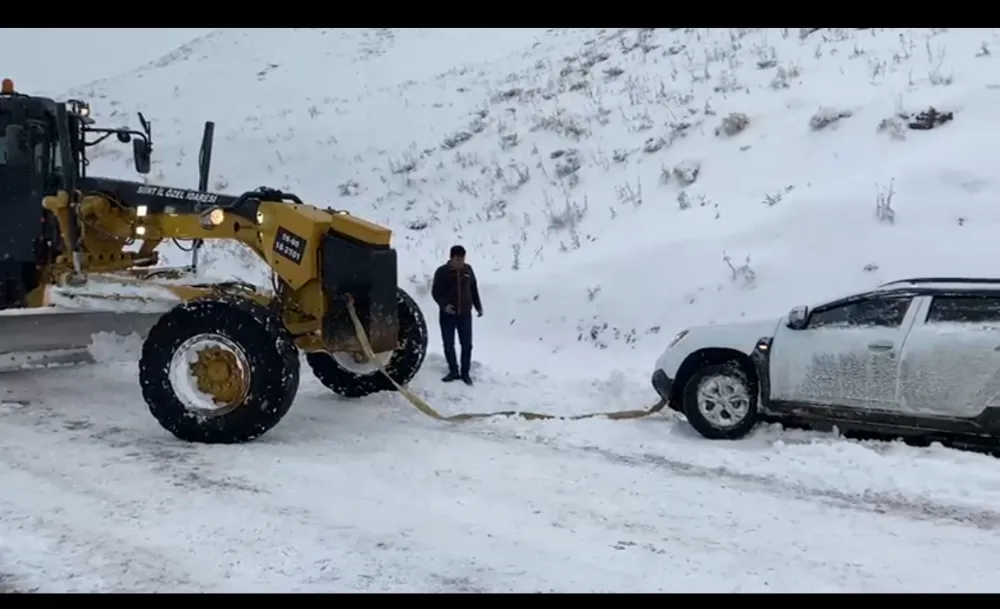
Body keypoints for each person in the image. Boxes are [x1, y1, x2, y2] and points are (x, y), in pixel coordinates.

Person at [430, 245, 483, 385]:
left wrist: (478, 307)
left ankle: (465, 373)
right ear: (451, 258)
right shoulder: (442, 272)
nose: (460, 262)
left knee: (467, 345)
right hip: (448, 315)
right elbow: (435, 292)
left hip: (465, 315)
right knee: (449, 344)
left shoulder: (468, 270)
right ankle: (453, 370)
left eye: (462, 259)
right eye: (458, 259)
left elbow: (473, 289)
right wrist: (444, 305)